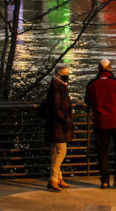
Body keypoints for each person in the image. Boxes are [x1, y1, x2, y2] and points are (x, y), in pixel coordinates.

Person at [85, 59, 116, 189]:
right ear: (110, 68)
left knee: (102, 152)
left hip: (100, 122)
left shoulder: (92, 84)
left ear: (98, 69)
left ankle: (104, 181)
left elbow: (88, 100)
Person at [38, 63, 73, 192]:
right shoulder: (57, 87)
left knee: (55, 150)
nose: (67, 76)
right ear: (59, 74)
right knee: (61, 151)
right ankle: (53, 178)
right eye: (65, 74)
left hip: (55, 124)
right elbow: (57, 106)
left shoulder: (57, 85)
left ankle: (59, 177)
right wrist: (65, 119)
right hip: (59, 124)